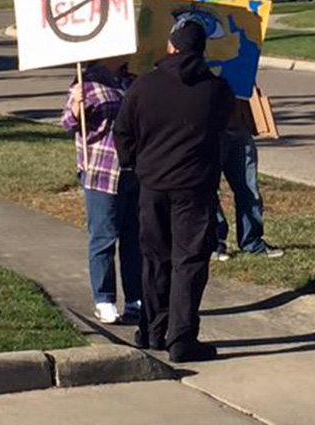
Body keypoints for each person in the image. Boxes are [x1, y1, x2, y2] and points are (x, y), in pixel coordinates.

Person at [114, 20, 233, 362]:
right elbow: (225, 125)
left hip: (152, 185)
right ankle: (182, 337)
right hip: (195, 188)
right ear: (200, 50)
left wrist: (136, 162)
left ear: (170, 47)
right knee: (190, 262)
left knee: (155, 259)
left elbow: (123, 131)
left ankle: (152, 331)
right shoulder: (216, 90)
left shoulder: (144, 86)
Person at [61, 57, 142, 325]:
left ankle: (135, 298)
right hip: (102, 171)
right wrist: (76, 110)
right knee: (104, 237)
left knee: (134, 238)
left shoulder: (132, 80)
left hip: (135, 170)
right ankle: (104, 299)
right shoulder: (86, 83)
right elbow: (67, 122)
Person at [219, 96, 284, 258]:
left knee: (249, 189)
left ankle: (252, 241)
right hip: (210, 129)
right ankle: (215, 243)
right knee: (208, 190)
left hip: (240, 127)